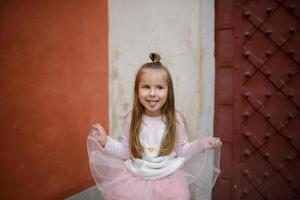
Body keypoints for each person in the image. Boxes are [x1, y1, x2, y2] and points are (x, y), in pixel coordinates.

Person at [87, 53, 222, 200]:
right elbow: (126, 152)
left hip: (169, 182)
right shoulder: (132, 119)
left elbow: (182, 151)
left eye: (159, 87)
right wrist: (106, 141)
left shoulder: (175, 120)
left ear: (168, 91)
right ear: (137, 90)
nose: (152, 93)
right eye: (146, 87)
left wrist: (201, 143)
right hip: (134, 180)